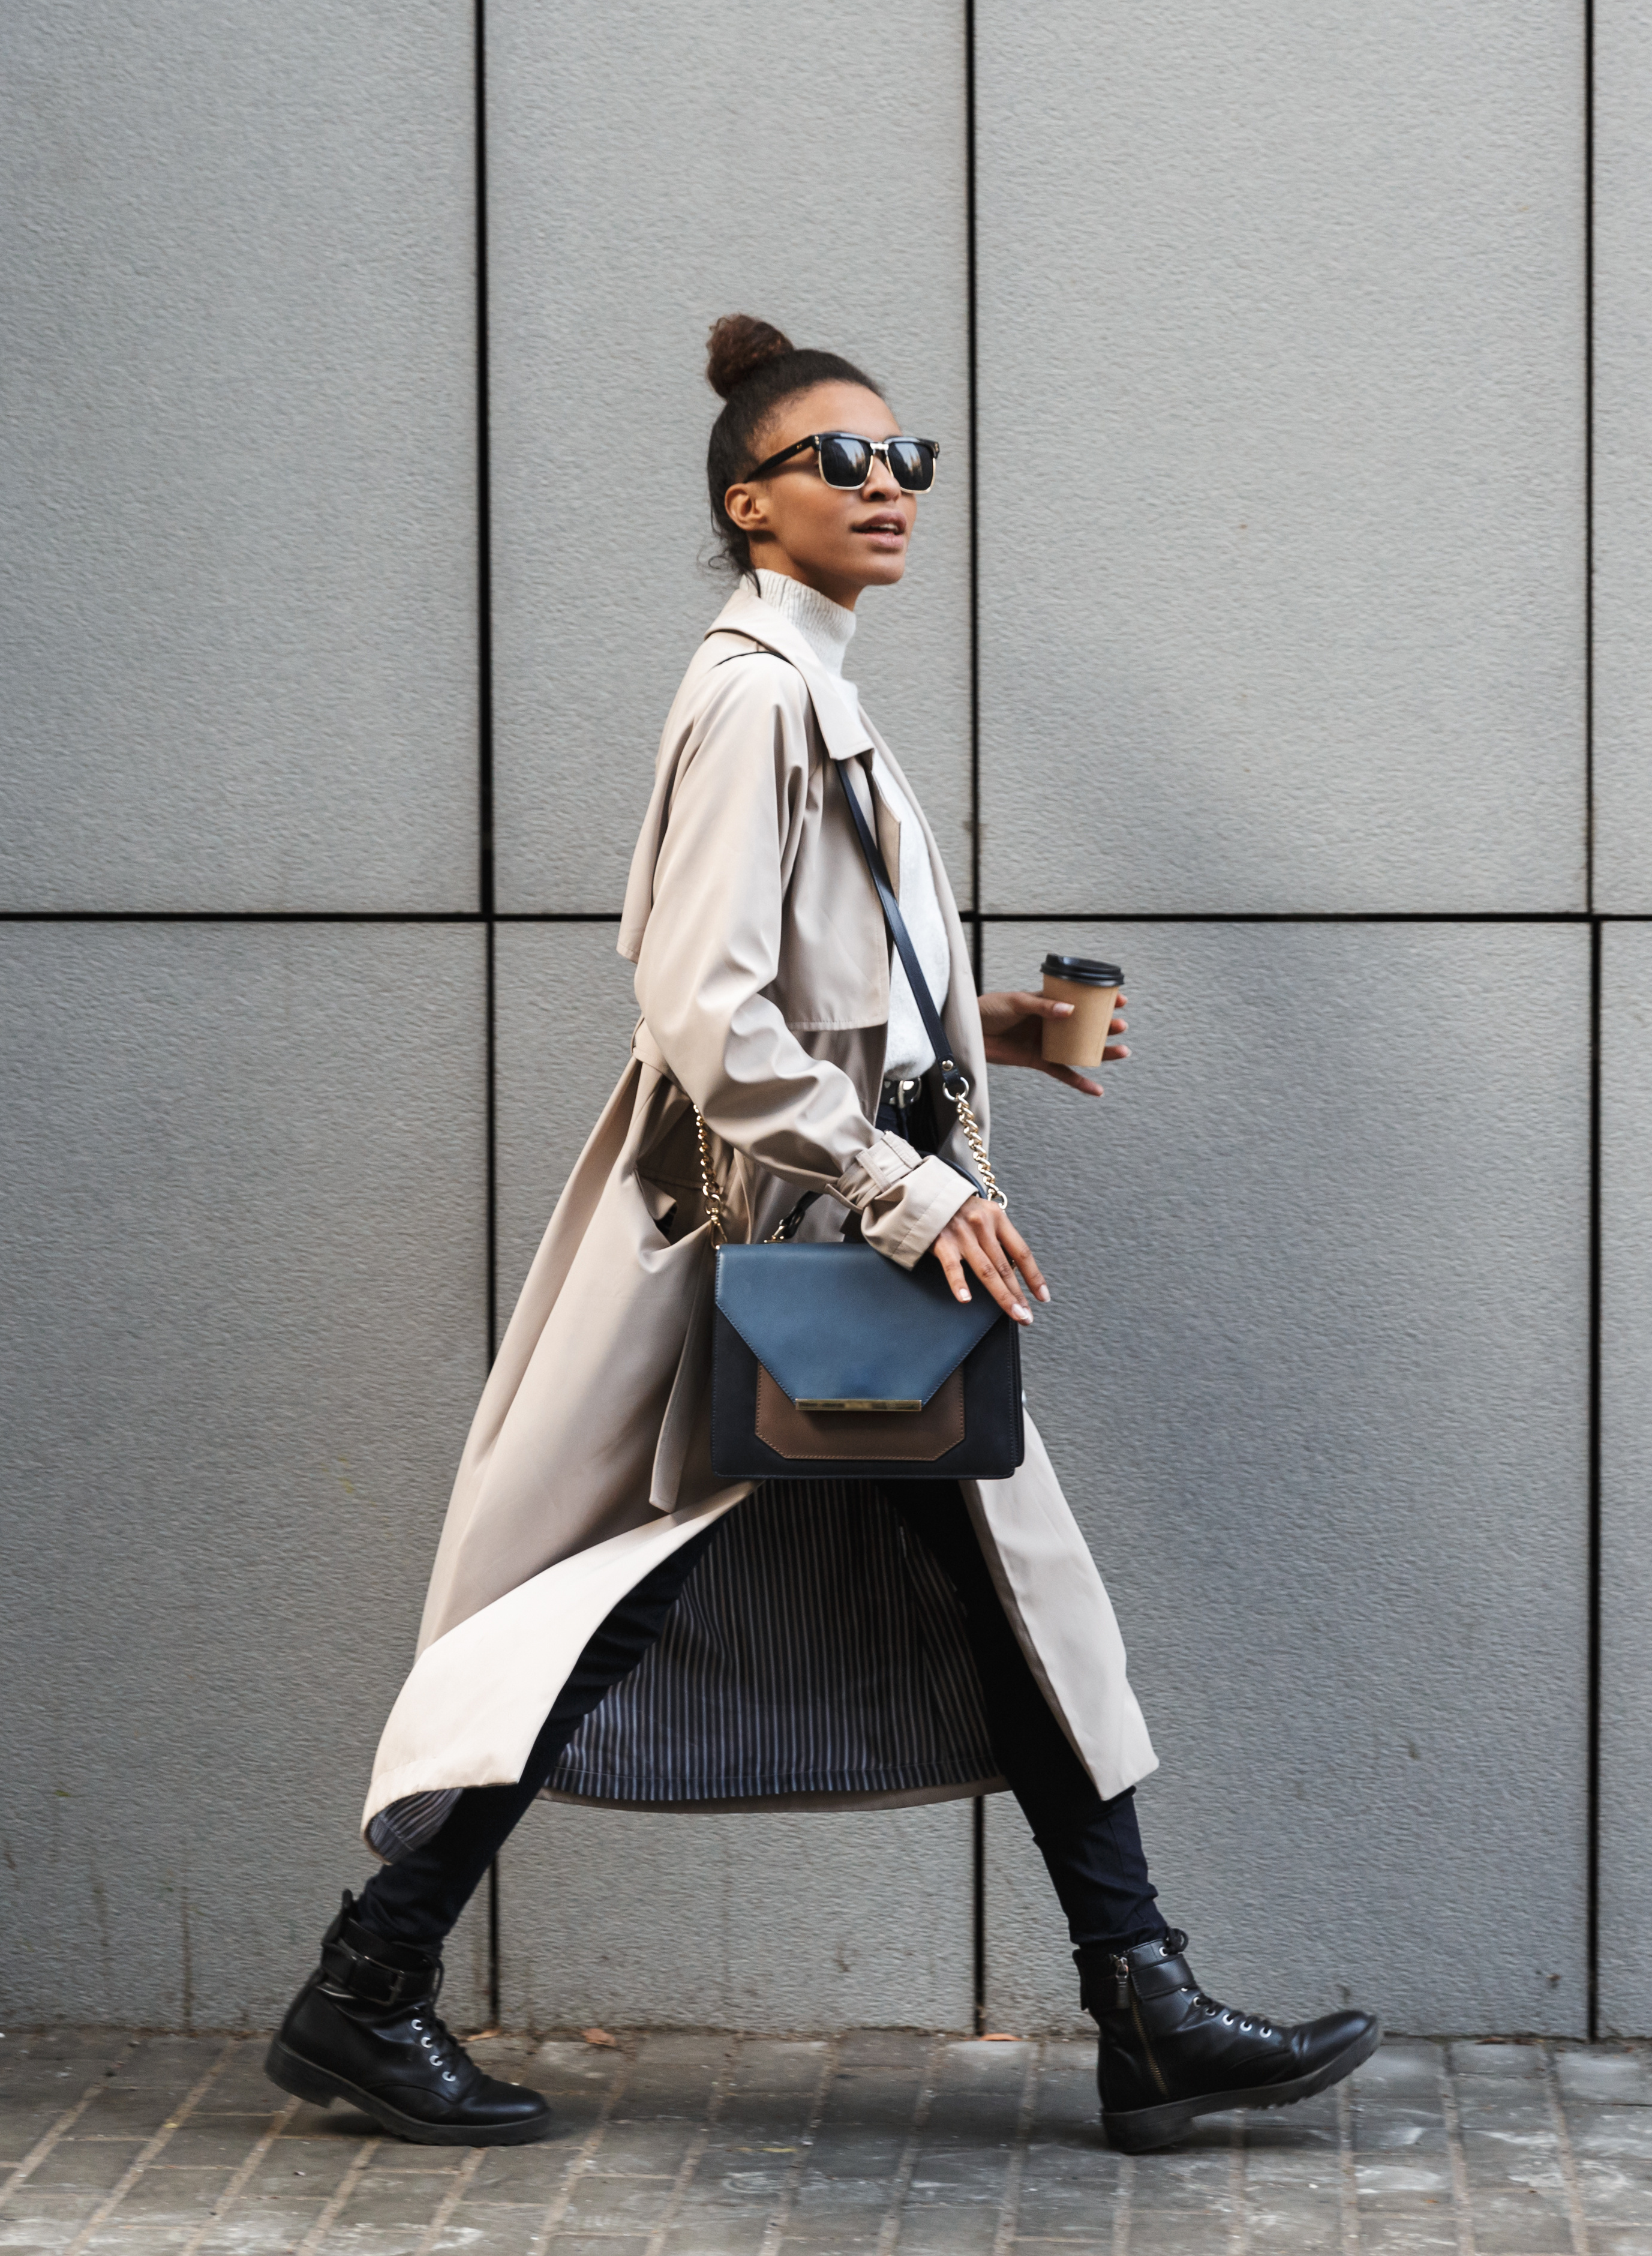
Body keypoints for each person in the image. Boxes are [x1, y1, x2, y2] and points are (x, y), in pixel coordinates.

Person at [267, 315, 1377, 2155]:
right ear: (750, 502)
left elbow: (810, 980)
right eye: (842, 462)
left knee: (1010, 1596)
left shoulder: (810, 691)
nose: (888, 486)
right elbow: (704, 1011)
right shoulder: (756, 696)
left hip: (835, 1236)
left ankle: (1145, 2003)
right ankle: (366, 1993)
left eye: (906, 459)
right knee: (615, 1601)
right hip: (777, 1242)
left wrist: (996, 1028)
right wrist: (911, 1180)